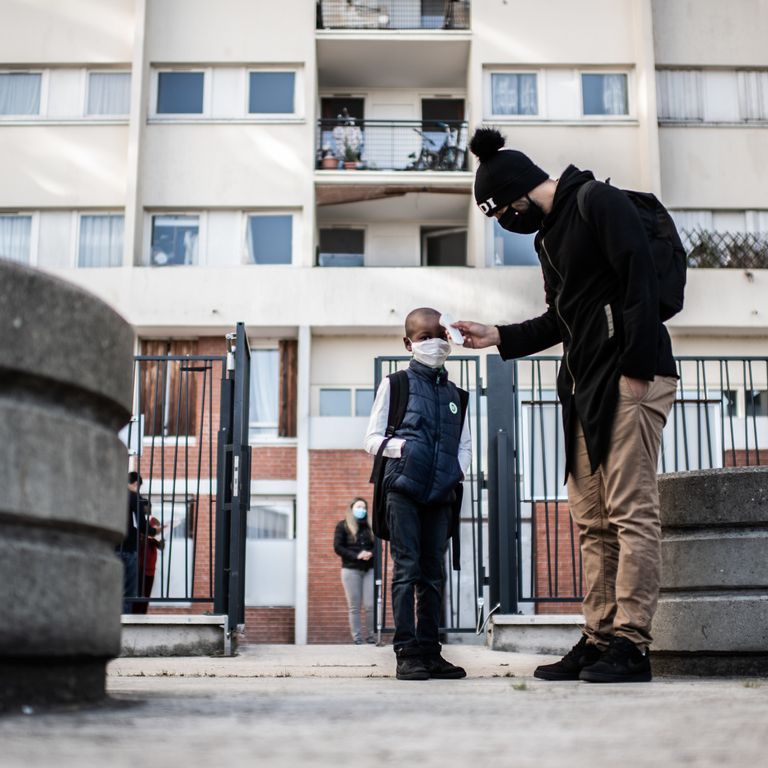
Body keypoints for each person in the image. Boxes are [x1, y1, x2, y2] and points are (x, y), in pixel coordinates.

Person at [453, 129, 678, 684]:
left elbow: (640, 280)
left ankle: (631, 645)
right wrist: (497, 336)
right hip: (581, 387)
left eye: (506, 209)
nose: (508, 219)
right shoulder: (546, 240)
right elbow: (562, 319)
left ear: (522, 188)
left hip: (628, 376)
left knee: (630, 513)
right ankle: (600, 637)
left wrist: (636, 368)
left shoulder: (596, 201)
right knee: (592, 522)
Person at [364, 307, 472, 681]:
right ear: (409, 343)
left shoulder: (458, 395)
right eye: (425, 337)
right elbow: (372, 439)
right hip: (403, 491)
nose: (435, 343)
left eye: (440, 335)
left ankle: (431, 651)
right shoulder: (396, 384)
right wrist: (406, 452)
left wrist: (455, 472)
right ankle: (407, 652)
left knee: (434, 574)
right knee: (407, 571)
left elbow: (465, 445)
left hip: (441, 495)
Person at [333, 497, 376, 645]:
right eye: (358, 507)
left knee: (370, 605)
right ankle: (357, 638)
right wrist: (357, 555)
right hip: (351, 570)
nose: (362, 510)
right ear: (351, 509)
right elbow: (338, 547)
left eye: (364, 507)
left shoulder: (370, 527)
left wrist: (370, 553)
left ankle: (372, 637)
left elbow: (378, 545)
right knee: (354, 606)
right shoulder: (343, 526)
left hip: (369, 569)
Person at [117, 471, 157, 614]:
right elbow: (141, 525)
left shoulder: (112, 495)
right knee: (128, 591)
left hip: (111, 548)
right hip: (128, 549)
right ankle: (125, 621)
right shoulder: (134, 497)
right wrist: (155, 531)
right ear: (135, 484)